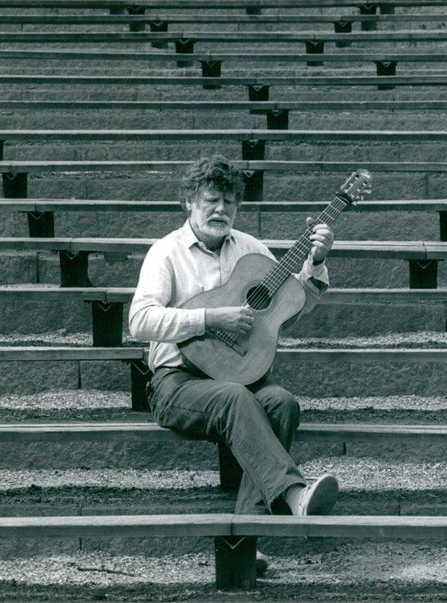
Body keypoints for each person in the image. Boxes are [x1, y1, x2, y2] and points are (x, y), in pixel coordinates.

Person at [129, 155, 339, 529]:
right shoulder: (166, 252)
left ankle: (247, 530)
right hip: (177, 382)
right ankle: (294, 494)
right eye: (211, 199)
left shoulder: (252, 250)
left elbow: (291, 304)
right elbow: (139, 321)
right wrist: (208, 319)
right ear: (189, 201)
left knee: (282, 403)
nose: (220, 209)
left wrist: (316, 262)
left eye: (229, 201)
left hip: (240, 374)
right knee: (234, 397)